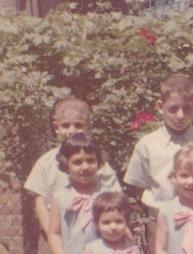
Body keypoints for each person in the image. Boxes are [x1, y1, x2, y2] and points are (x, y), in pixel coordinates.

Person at [124, 74, 193, 253]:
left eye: (187, 109)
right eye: (173, 109)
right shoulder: (147, 145)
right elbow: (135, 187)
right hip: (160, 220)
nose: (180, 116)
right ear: (160, 107)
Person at [24, 97, 121, 244]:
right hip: (58, 229)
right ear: (56, 128)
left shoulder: (98, 162)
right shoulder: (46, 162)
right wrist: (51, 234)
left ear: (89, 126)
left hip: (94, 232)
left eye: (78, 125)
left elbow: (114, 197)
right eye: (65, 125)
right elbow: (40, 202)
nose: (72, 131)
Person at [47, 132, 118, 254]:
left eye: (90, 161)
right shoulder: (60, 197)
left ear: (99, 161)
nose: (85, 167)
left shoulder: (107, 194)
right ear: (66, 164)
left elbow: (119, 226)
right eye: (77, 162)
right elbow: (54, 233)